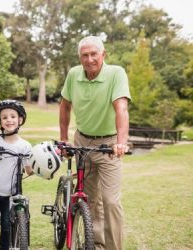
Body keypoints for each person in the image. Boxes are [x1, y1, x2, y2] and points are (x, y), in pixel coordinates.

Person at [59, 35, 131, 250]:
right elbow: (64, 106)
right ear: (80, 57)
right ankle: (96, 244)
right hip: (82, 141)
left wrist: (121, 142)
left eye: (94, 54)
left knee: (110, 201)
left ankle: (113, 247)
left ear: (103, 54)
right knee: (90, 199)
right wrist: (63, 139)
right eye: (85, 55)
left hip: (108, 145)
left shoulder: (116, 73)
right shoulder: (74, 74)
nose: (89, 59)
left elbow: (121, 109)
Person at [0, 100, 33, 250]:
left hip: (11, 194)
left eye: (13, 116)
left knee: (6, 225)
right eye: (4, 117)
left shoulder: (25, 146)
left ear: (20, 120)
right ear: (0, 121)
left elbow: (29, 170)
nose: (9, 120)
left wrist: (40, 165)